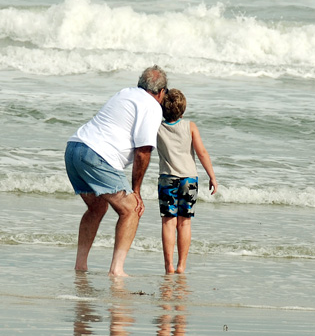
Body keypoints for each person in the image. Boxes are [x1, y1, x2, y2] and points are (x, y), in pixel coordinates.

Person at [64, 66, 167, 277]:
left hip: (74, 148)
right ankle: (117, 270)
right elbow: (143, 151)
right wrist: (136, 191)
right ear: (161, 92)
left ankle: (80, 265)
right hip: (96, 155)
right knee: (131, 209)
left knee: (97, 207)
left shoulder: (125, 93)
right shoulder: (153, 106)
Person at [155, 89, 218, 274]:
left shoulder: (157, 127)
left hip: (167, 178)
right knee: (185, 222)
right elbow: (202, 153)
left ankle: (169, 266)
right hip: (189, 180)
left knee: (168, 222)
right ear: (183, 110)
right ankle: (182, 265)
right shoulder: (190, 126)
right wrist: (212, 176)